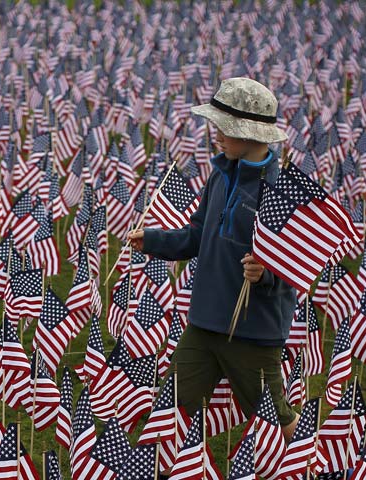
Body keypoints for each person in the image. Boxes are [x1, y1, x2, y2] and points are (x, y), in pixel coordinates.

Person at [128, 77, 300, 442]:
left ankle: (312, 463)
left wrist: (265, 274)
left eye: (223, 128)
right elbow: (197, 235)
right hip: (204, 322)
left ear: (251, 134)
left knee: (275, 419)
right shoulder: (220, 176)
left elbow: (296, 265)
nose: (215, 135)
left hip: (252, 331)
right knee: (167, 410)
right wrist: (154, 240)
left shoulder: (282, 191)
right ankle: (159, 466)